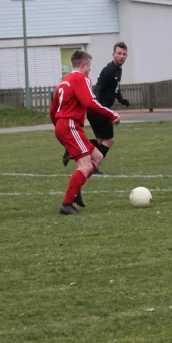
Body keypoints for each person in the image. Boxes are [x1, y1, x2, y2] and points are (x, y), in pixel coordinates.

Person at [51, 50, 121, 215]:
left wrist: (59, 127)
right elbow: (90, 102)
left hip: (65, 125)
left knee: (97, 157)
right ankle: (66, 204)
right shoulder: (80, 78)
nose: (90, 69)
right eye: (89, 66)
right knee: (86, 165)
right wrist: (112, 115)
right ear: (83, 65)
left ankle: (76, 191)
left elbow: (53, 109)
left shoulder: (64, 81)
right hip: (70, 125)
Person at [62, 42, 130, 175]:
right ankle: (92, 166)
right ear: (113, 55)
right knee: (108, 140)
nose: (122, 56)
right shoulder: (108, 70)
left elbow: (115, 88)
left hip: (100, 110)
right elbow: (98, 87)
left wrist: (121, 100)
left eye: (124, 54)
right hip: (99, 110)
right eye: (119, 53)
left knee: (101, 141)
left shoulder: (117, 70)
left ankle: (74, 151)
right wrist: (97, 106)